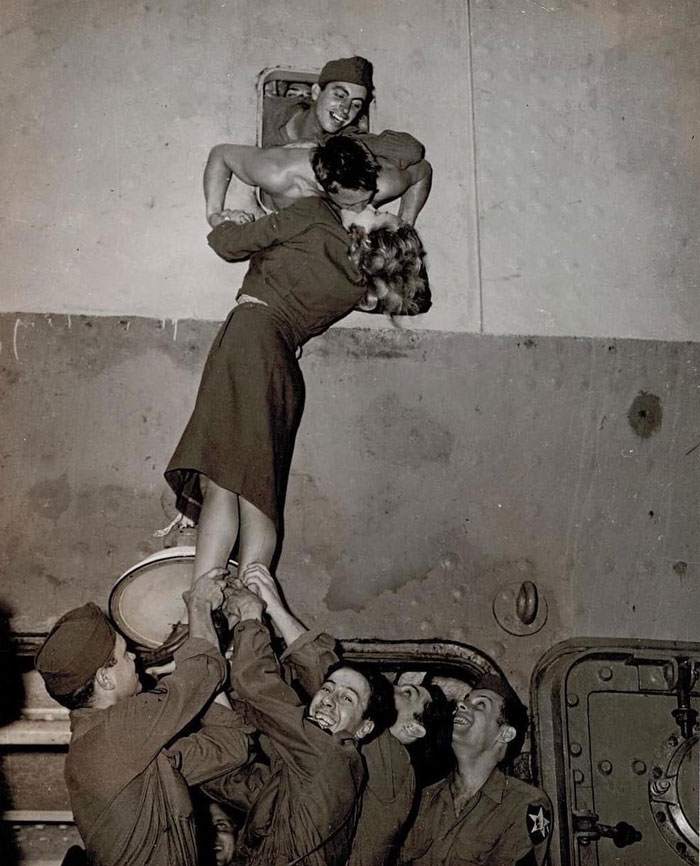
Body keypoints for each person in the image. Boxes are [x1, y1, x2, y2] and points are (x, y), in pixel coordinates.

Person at [165, 136, 428, 590]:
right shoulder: (358, 284)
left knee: (225, 482)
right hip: (283, 363)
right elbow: (416, 300)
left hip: (250, 338)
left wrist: (223, 220)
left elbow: (231, 245)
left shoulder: (313, 215)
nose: (385, 207)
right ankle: (253, 595)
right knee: (257, 491)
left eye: (383, 214)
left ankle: (204, 597)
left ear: (370, 234)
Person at [34, 569, 254, 866]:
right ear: (105, 678)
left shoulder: (130, 751)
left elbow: (231, 746)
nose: (135, 658)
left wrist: (200, 681)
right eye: (125, 654)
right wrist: (199, 605)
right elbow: (204, 669)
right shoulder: (113, 734)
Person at [240, 563, 452, 866]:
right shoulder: (350, 753)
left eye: (407, 695)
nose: (391, 690)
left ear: (413, 730)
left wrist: (273, 606)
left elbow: (327, 675)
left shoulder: (396, 766)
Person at [222, 581, 396, 866]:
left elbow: (257, 687)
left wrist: (252, 615)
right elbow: (240, 785)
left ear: (364, 729)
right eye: (327, 689)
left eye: (347, 699)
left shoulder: (329, 754)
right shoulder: (302, 769)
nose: (328, 700)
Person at [398, 675, 553, 866]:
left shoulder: (524, 804)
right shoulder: (423, 798)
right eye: (465, 701)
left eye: (480, 705)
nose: (461, 706)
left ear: (505, 733)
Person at [204, 136, 433, 227]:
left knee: (412, 151)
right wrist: (213, 213)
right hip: (287, 189)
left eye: (366, 200)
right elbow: (221, 154)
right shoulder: (277, 172)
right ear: (327, 187)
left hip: (351, 151)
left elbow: (422, 170)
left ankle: (358, 142)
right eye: (352, 204)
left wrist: (406, 224)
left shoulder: (382, 183)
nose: (363, 209)